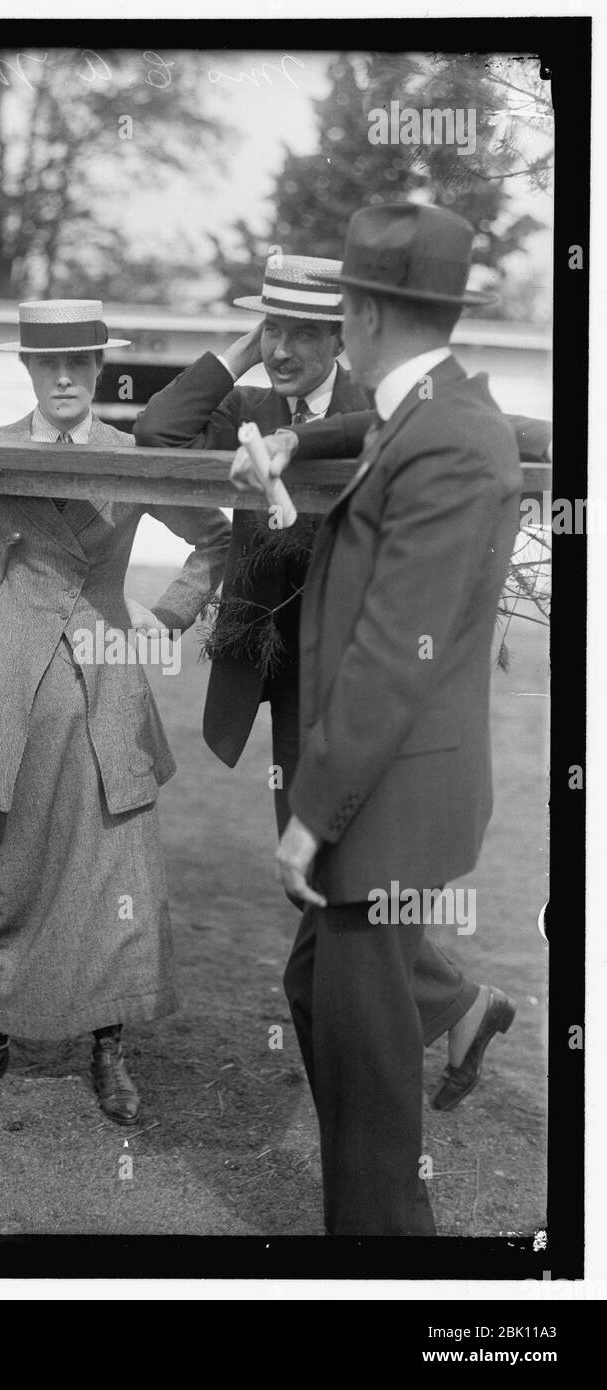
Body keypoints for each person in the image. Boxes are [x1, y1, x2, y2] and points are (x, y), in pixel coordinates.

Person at [135, 253, 547, 1109]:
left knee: (343, 873)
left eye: (300, 333)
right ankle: (458, 1006)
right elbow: (157, 432)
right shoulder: (245, 407)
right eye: (271, 329)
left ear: (341, 337)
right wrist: (240, 350)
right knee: (326, 874)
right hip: (279, 671)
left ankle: (440, 1015)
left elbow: (506, 430)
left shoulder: (385, 411)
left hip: (367, 673)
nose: (282, 349)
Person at [229, 203, 530, 1234]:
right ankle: (390, 1202)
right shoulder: (434, 404)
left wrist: (309, 815)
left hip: (387, 797)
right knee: (318, 991)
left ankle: (388, 1249)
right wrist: (285, 439)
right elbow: (367, 427)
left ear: (356, 312)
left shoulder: (447, 438)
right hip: (402, 788)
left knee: (363, 1093)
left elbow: (389, 661)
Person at [0, 299, 230, 1126]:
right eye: (47, 364)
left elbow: (217, 537)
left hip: (109, 689)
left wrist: (166, 615)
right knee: (6, 867)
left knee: (112, 876)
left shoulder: (132, 458)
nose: (64, 379)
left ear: (100, 370)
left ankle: (108, 1050)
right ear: (26, 368)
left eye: (80, 364)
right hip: (10, 688)